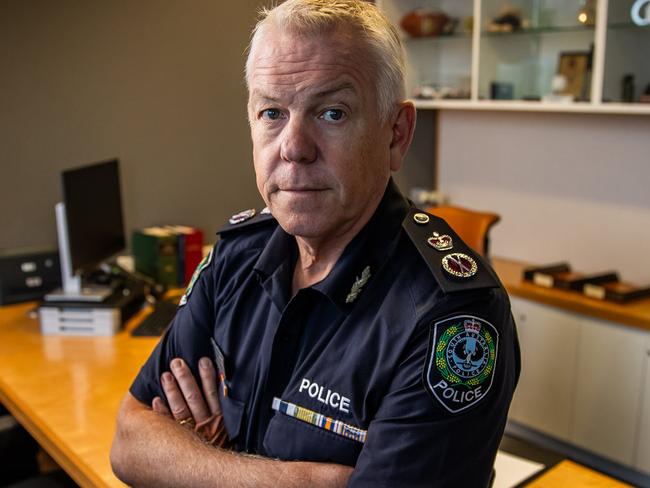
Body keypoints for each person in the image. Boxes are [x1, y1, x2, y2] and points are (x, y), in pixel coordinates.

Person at [110, 1, 520, 486]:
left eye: (331, 112)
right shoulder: (237, 256)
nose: (294, 146)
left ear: (396, 134)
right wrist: (307, 481)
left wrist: (191, 460)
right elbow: (130, 440)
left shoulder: (452, 318)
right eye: (271, 112)